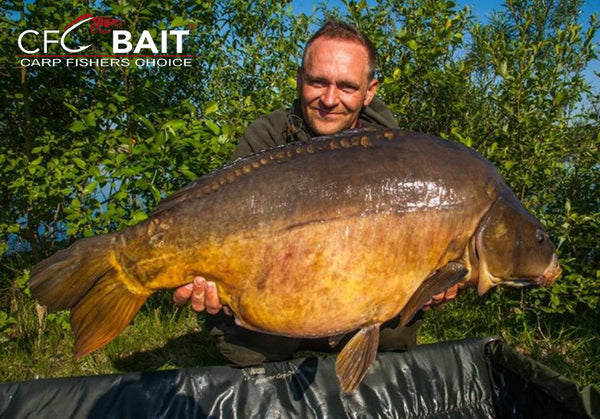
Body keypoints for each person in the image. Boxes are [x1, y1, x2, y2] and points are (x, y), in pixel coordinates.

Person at [173, 20, 462, 365]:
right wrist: (211, 282)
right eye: (317, 82)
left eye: (347, 87)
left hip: (359, 298)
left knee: (395, 333)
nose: (329, 99)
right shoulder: (266, 138)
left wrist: (439, 281)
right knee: (246, 348)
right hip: (279, 292)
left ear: (369, 91)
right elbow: (225, 224)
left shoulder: (398, 156)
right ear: (300, 79)